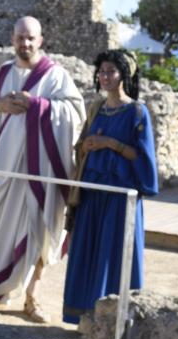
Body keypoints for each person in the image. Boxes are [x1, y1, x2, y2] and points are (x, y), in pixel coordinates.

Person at [0, 16, 85, 322]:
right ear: (13, 39)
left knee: (39, 230)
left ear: (41, 40)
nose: (25, 43)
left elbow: (76, 114)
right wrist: (0, 106)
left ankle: (32, 297)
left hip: (41, 171)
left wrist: (38, 105)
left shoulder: (56, 76)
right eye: (21, 37)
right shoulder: (2, 73)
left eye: (31, 38)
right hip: (2, 172)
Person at [62, 49, 158, 324]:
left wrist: (110, 144)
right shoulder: (95, 109)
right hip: (92, 195)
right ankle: (84, 319)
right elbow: (81, 147)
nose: (104, 77)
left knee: (112, 257)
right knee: (88, 254)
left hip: (120, 198)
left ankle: (111, 323)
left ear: (124, 75)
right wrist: (87, 145)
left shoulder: (137, 112)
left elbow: (143, 159)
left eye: (110, 72)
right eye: (101, 71)